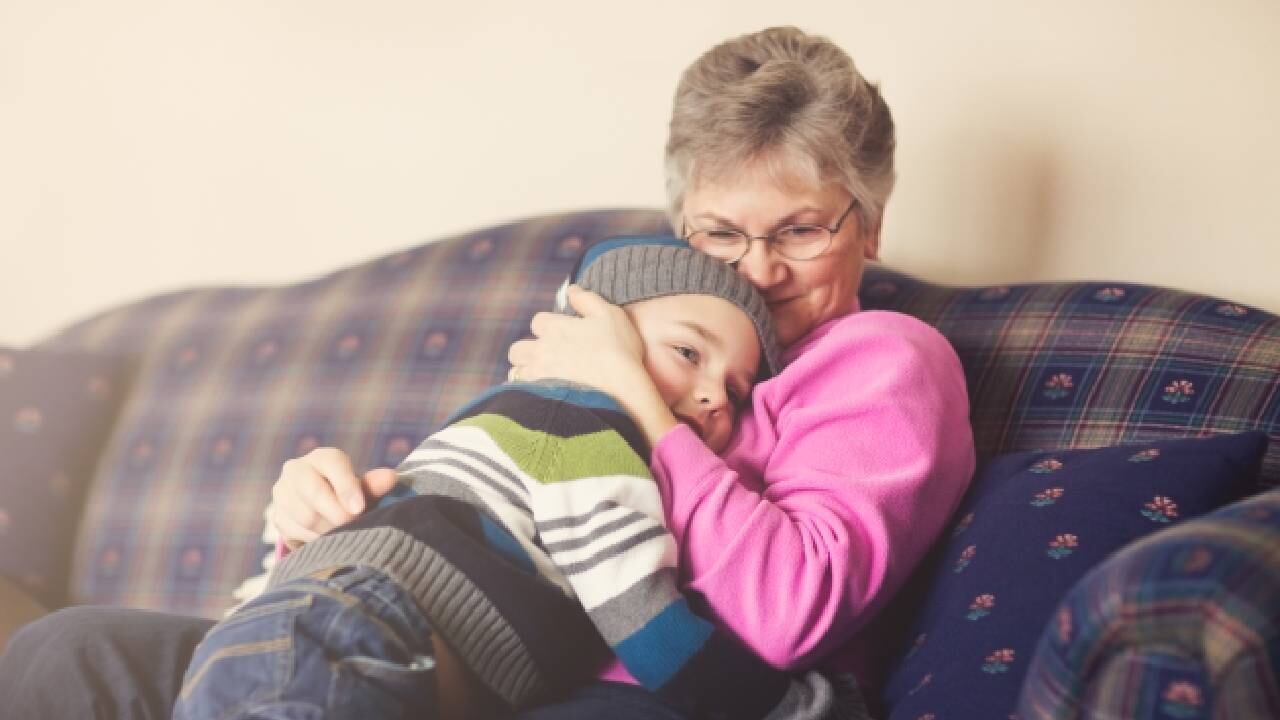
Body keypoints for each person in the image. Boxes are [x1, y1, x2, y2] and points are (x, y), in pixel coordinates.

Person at [0, 26, 976, 720]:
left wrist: (639, 399)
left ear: (869, 225)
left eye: (799, 230)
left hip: (643, 690)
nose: (756, 271)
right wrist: (330, 509)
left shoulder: (880, 361)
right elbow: (494, 501)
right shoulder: (639, 339)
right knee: (65, 652)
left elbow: (788, 612)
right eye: (719, 234)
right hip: (464, 649)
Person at [172, 237, 833, 720]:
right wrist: (794, 705)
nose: (714, 395)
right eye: (687, 352)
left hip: (305, 631)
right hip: (354, 635)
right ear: (594, 334)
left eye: (735, 390)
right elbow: (648, 626)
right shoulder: (576, 429)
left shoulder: (505, 422)